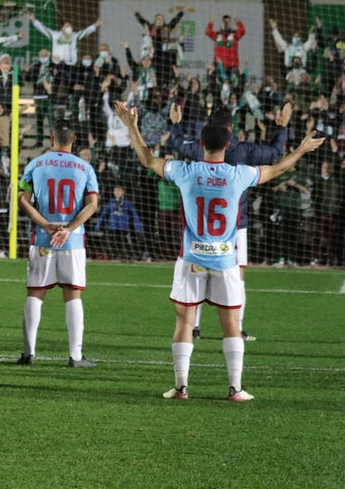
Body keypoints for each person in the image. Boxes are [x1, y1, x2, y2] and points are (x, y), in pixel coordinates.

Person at [114, 100, 324, 401]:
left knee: (185, 322)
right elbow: (277, 167)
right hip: (226, 260)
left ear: (200, 144)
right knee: (231, 325)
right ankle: (235, 389)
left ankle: (181, 387)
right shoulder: (238, 175)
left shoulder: (186, 171)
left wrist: (132, 126)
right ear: (229, 143)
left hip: (190, 259)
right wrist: (302, 149)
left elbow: (147, 159)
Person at [167, 101, 292, 340]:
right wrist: (281, 127)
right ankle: (238, 327)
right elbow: (275, 155)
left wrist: (176, 124)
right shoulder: (244, 150)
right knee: (237, 275)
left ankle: (194, 327)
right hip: (236, 225)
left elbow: (178, 146)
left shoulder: (199, 149)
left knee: (196, 272)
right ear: (231, 129)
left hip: (199, 227)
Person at [16, 120, 101, 367]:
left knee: (35, 293)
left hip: (42, 238)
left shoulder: (35, 164)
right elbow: (92, 205)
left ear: (51, 139)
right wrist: (68, 229)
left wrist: (45, 225)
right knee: (73, 295)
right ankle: (75, 357)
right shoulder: (84, 168)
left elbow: (23, 200)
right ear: (73, 140)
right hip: (72, 241)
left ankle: (28, 354)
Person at [93, 184, 143, 260]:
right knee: (112, 243)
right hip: (112, 227)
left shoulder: (128, 203)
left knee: (124, 243)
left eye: (119, 190)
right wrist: (98, 225)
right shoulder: (111, 202)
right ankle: (114, 257)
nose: (116, 192)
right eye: (115, 190)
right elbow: (103, 215)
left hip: (123, 228)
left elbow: (135, 215)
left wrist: (138, 227)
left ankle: (126, 257)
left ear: (124, 192)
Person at [205, 13, 246, 78]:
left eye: (228, 21)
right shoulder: (217, 34)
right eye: (224, 21)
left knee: (233, 85)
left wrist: (236, 20)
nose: (226, 23)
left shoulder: (235, 34)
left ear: (231, 23)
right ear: (222, 22)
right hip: (219, 66)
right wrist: (211, 22)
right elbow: (207, 32)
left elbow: (243, 30)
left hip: (232, 67)